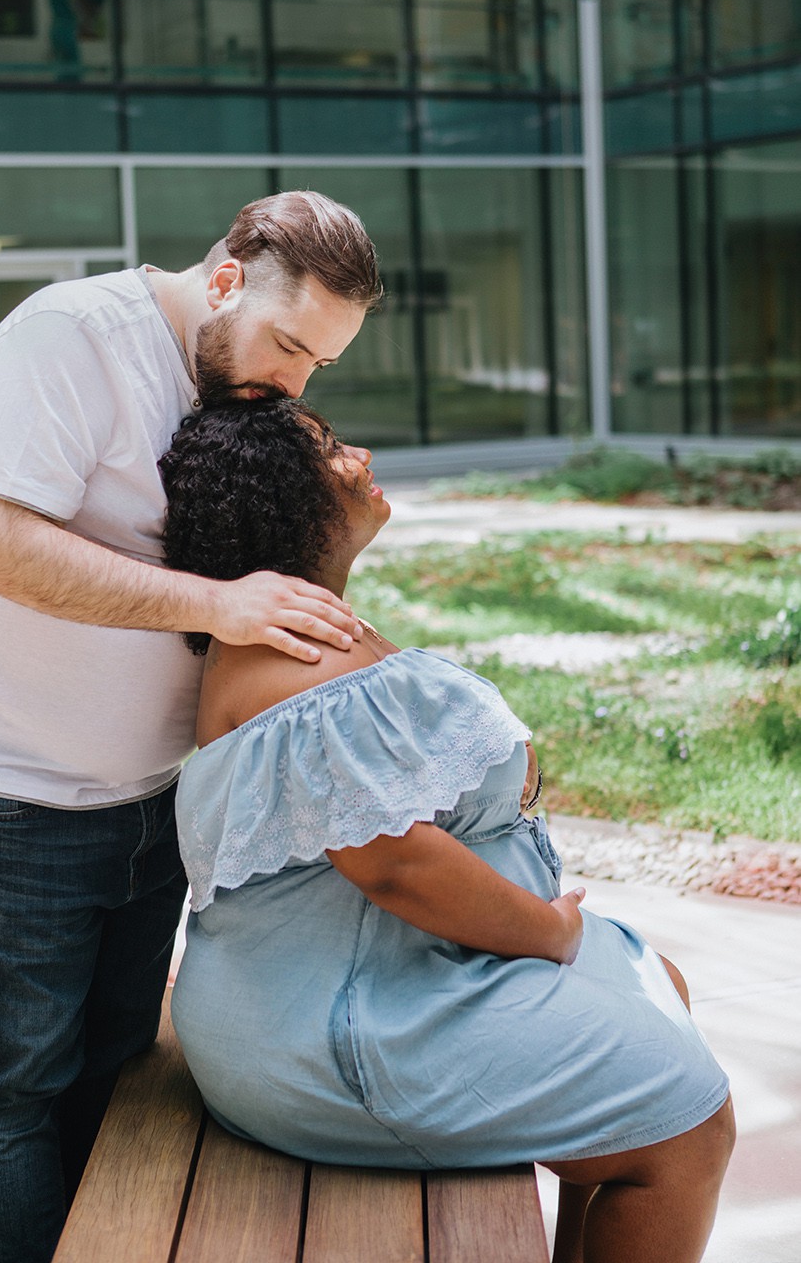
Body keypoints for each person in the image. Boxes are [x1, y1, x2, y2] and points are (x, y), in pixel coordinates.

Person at [0, 192, 382, 1263]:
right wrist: (216, 602)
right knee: (13, 1089)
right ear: (222, 280)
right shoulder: (73, 339)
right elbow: (5, 549)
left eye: (319, 366)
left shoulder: (239, 387)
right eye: (288, 342)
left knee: (113, 1065)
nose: (292, 382)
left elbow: (265, 601)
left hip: (154, 797)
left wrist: (343, 543)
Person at [159, 399, 735, 1263]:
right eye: (328, 447)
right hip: (341, 1031)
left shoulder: (293, 638)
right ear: (283, 491)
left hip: (356, 989)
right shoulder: (297, 660)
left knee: (657, 986)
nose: (357, 454)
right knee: (688, 1122)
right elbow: (394, 869)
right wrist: (543, 930)